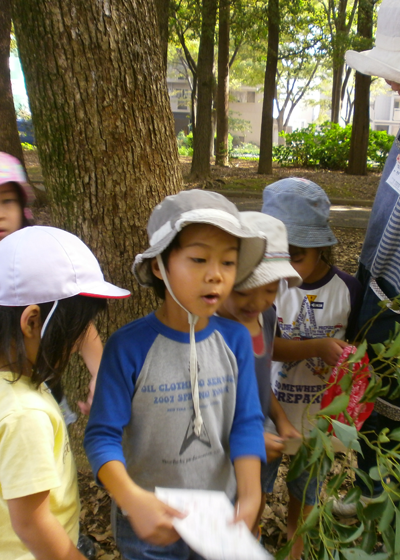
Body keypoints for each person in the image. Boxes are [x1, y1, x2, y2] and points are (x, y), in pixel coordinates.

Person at [84, 189, 267, 560]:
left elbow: (246, 423)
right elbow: (101, 436)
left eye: (228, 262)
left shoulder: (235, 341)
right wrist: (130, 498)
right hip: (149, 521)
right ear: (159, 266)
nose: (215, 275)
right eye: (198, 259)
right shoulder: (128, 347)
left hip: (220, 515)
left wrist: (250, 495)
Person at [0, 225, 130, 560]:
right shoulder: (25, 414)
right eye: (73, 334)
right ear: (32, 322)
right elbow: (32, 523)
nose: (74, 348)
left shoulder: (17, 384)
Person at [261, 178, 363, 558]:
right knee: (255, 490)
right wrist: (317, 346)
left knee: (304, 495)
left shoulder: (348, 290)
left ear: (321, 247)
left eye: (296, 255)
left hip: (318, 421)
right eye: (276, 254)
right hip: (269, 413)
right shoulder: (267, 287)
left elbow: (356, 350)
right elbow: (264, 349)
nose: (285, 266)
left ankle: (295, 547)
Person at [333, 0, 400, 517]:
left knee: (391, 406)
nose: (392, 86)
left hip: (396, 308)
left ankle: (384, 500)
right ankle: (369, 488)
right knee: (372, 402)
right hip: (380, 296)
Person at [217, 211, 302, 538]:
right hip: (219, 449)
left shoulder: (266, 317)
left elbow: (259, 380)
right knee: (226, 515)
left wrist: (280, 419)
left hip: (260, 433)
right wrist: (244, 440)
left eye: (270, 290)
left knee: (254, 502)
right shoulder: (210, 333)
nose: (258, 302)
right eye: (243, 291)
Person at [0, 151, 102, 421]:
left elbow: (72, 317)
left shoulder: (36, 256)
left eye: (7, 201)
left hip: (41, 391)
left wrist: (99, 374)